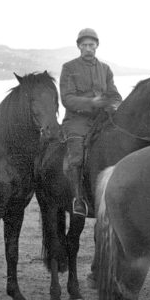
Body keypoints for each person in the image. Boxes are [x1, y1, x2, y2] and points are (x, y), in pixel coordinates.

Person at [59, 28, 121, 217]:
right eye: (84, 45)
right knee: (76, 156)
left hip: (101, 119)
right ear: (79, 46)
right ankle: (78, 200)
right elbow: (67, 98)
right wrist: (90, 103)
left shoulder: (105, 69)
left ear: (97, 46)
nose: (88, 48)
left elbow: (115, 95)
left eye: (91, 45)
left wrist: (115, 105)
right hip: (77, 120)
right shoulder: (69, 68)